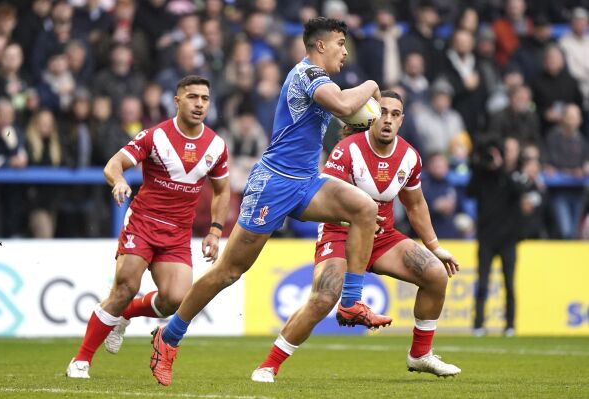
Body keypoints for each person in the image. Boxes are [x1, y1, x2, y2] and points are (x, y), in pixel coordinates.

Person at [149, 17, 391, 386]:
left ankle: (351, 302)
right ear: (320, 46)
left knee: (364, 208)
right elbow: (343, 105)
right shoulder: (308, 75)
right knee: (229, 272)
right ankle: (169, 336)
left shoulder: (322, 81)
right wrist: (372, 84)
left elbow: (335, 116)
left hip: (307, 181)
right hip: (273, 185)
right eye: (340, 43)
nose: (345, 51)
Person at [251, 91, 461, 383]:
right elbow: (325, 198)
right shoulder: (346, 150)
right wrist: (355, 219)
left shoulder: (410, 157)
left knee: (436, 274)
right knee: (323, 298)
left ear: (402, 120)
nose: (387, 120)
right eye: (383, 112)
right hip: (339, 233)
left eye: (395, 114)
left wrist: (435, 247)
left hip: (383, 238)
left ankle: (420, 355)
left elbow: (415, 205)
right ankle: (268, 366)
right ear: (372, 116)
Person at [65, 75, 230, 378]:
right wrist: (119, 182)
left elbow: (222, 191)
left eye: (204, 99)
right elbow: (113, 165)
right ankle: (81, 360)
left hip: (178, 233)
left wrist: (216, 230)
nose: (199, 104)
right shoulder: (154, 137)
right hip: (143, 223)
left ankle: (124, 316)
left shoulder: (216, 146)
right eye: (192, 97)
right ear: (177, 101)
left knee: (175, 300)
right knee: (126, 287)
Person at [468, 135, 525, 337]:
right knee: (482, 282)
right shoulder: (481, 176)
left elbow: (519, 190)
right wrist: (479, 165)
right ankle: (478, 324)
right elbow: (469, 191)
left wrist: (500, 168)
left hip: (508, 238)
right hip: (486, 237)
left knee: (509, 283)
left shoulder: (511, 176)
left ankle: (510, 325)